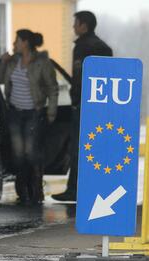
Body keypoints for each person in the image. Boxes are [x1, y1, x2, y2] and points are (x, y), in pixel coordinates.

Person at [52, 11, 113, 201]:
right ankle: (95, 189)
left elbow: (79, 79)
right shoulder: (104, 47)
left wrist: (76, 101)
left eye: (75, 23)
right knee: (95, 148)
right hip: (100, 106)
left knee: (78, 148)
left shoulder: (83, 47)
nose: (73, 27)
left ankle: (74, 190)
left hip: (83, 106)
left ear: (83, 25)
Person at [0, 29, 58, 205]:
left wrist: (51, 112)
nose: (14, 44)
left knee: (31, 152)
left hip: (34, 113)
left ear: (25, 43)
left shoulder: (42, 63)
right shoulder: (12, 62)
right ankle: (22, 190)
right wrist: (2, 61)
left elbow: (52, 88)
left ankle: (36, 188)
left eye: (17, 41)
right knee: (18, 154)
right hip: (14, 113)